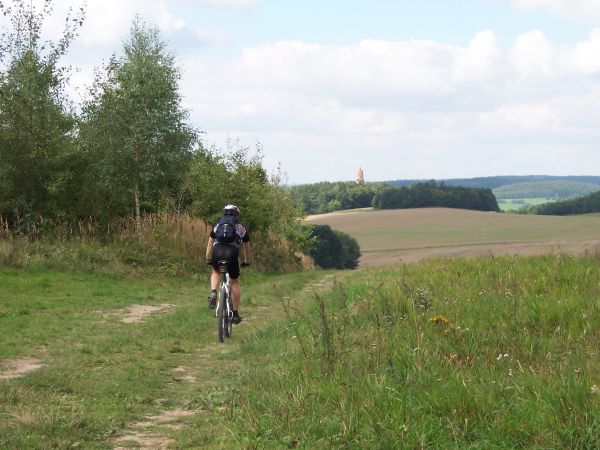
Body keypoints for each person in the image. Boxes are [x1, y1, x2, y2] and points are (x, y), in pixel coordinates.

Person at [205, 204, 252, 324]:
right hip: (232, 253)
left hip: (217, 251)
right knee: (234, 280)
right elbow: (247, 248)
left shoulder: (217, 226)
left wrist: (208, 259)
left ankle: (214, 291)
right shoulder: (241, 228)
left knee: (216, 271)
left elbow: (210, 245)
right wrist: (247, 261)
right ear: (236, 215)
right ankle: (235, 314)